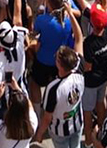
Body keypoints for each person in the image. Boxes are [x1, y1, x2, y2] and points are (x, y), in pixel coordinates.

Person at [35, 9, 85, 148]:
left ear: (59, 65)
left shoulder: (53, 88)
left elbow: (47, 117)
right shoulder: (80, 70)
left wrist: (39, 133)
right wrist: (70, 11)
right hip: (77, 123)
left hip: (59, 130)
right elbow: (79, 37)